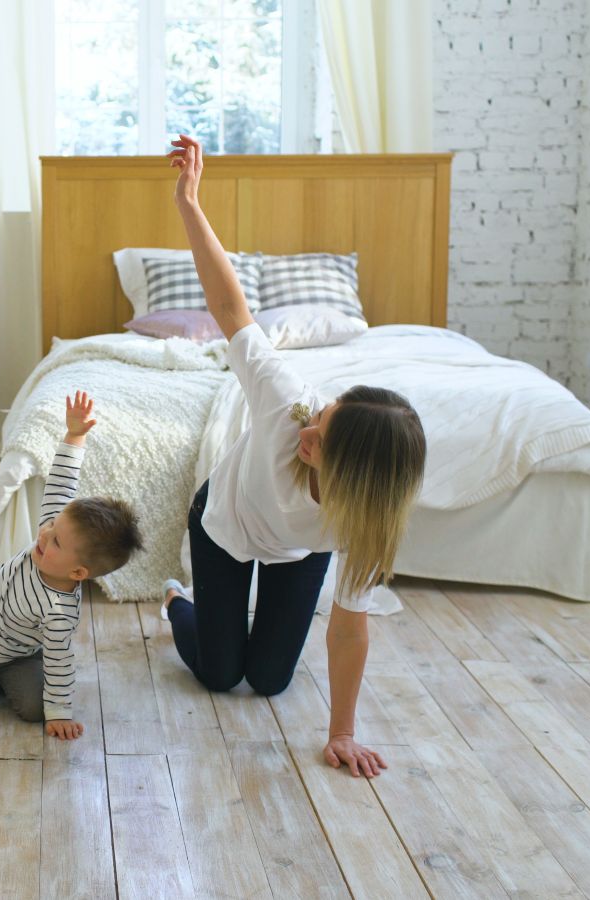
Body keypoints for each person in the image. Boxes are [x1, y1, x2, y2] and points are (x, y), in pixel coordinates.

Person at [161, 134, 426, 778]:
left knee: (271, 681)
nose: (307, 433)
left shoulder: (366, 521)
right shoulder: (290, 401)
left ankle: (231, 624)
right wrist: (190, 203)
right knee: (222, 676)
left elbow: (349, 627)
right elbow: (231, 308)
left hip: (297, 552)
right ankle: (176, 600)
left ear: (357, 482)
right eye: (320, 420)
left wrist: (342, 733)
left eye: (322, 444)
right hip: (224, 524)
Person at [0, 391, 143, 740]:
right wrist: (75, 435)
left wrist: (59, 713)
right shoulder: (52, 530)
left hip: (18, 654)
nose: (44, 535)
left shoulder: (59, 612)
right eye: (52, 525)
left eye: (56, 541)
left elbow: (61, 662)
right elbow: (62, 481)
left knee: (35, 711)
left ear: (77, 573)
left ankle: (6, 676)